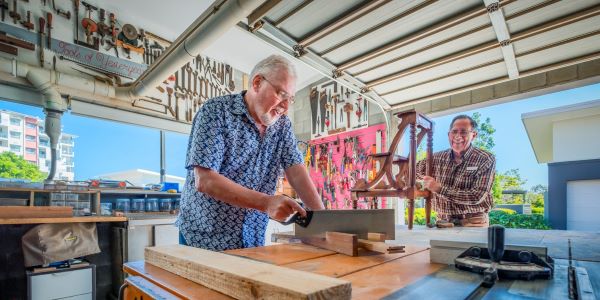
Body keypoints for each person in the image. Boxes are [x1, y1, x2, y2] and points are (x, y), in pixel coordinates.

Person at [176, 55, 324, 251]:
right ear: (257, 83)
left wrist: (323, 219)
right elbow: (205, 180)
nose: (286, 107)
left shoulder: (282, 125)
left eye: (290, 99)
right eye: (281, 94)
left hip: (251, 237)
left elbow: (296, 170)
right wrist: (267, 203)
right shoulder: (215, 112)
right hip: (204, 238)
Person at [417, 115, 496, 228]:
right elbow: (411, 171)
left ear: (474, 135)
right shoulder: (436, 158)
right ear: (449, 135)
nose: (458, 136)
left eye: (463, 132)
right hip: (443, 221)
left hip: (473, 221)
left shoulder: (485, 159)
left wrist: (439, 188)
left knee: (472, 247)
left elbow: (477, 196)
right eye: (454, 131)